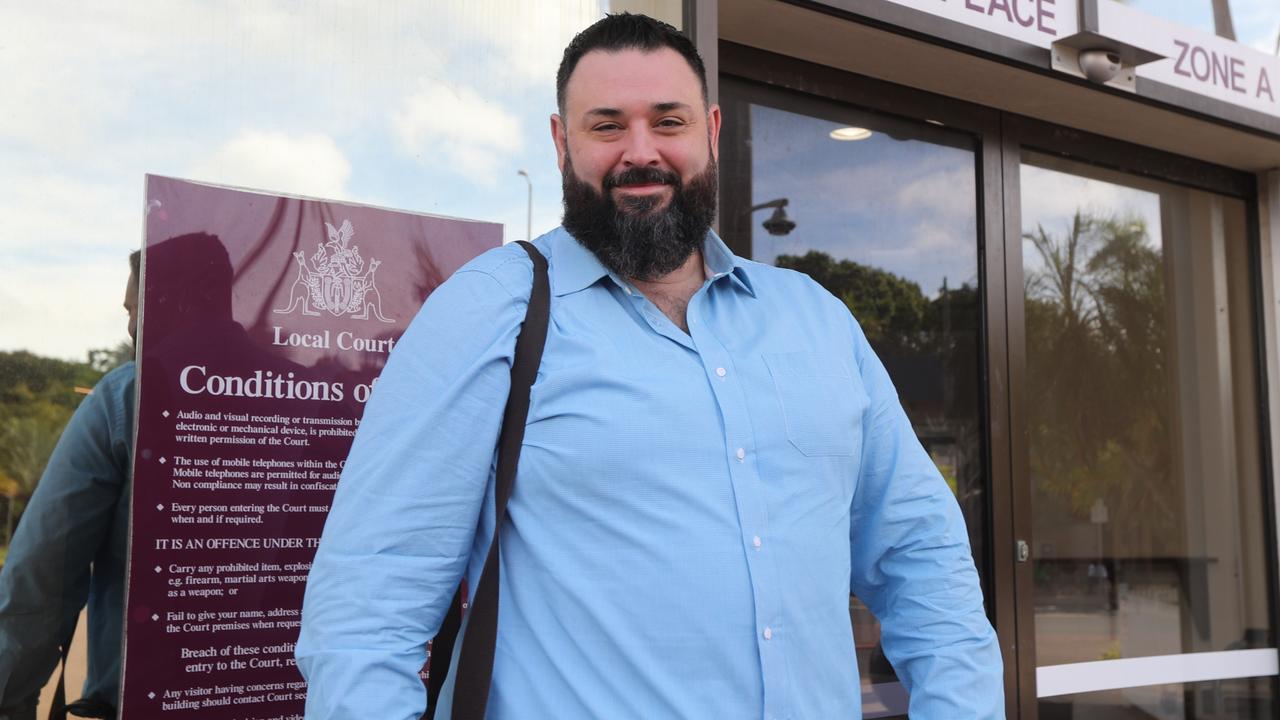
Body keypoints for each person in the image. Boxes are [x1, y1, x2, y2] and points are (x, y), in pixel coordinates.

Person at [297, 13, 1003, 719]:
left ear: (712, 132)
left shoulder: (816, 322)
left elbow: (923, 561)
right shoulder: (491, 313)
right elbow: (367, 610)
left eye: (669, 122)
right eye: (607, 126)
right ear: (560, 141)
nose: (641, 152)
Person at [0, 251, 140, 720]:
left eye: (134, 307)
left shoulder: (125, 397)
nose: (131, 326)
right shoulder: (315, 400)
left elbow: (41, 579)